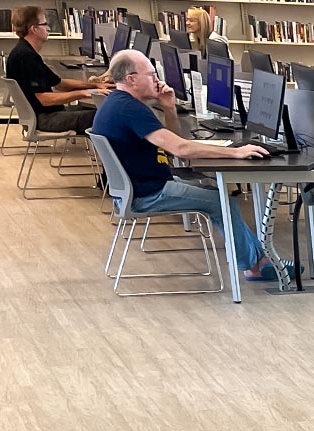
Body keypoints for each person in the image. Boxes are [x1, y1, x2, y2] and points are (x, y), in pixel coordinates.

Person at [91, 49, 286, 282]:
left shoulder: (119, 102)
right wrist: (236, 152)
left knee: (220, 196)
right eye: (151, 74)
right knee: (220, 201)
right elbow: (181, 150)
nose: (157, 80)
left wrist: (169, 107)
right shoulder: (130, 109)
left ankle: (261, 261)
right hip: (149, 193)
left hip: (140, 188)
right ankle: (255, 266)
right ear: (131, 79)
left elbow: (173, 143)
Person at [6, 6, 113, 133]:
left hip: (44, 115)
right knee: (107, 116)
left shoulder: (27, 52)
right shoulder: (25, 57)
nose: (49, 28)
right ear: (34, 29)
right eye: (45, 24)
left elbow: (60, 84)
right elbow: (44, 99)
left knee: (101, 112)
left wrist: (95, 85)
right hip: (43, 119)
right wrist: (83, 93)